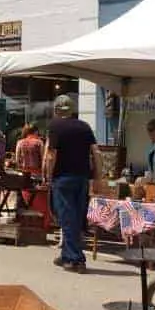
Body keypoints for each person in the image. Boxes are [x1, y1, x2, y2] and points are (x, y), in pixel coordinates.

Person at [44, 95, 100, 272]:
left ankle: (76, 259)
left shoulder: (55, 127)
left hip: (63, 178)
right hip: (82, 178)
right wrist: (98, 178)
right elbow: (96, 153)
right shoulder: (84, 127)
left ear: (57, 110)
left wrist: (47, 175)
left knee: (67, 218)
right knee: (76, 217)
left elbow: (51, 155)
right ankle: (67, 254)